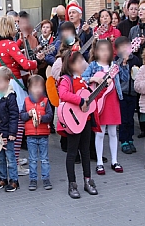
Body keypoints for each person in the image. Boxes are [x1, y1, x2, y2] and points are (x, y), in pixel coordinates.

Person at [0, 15, 38, 176]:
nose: (16, 27)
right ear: (9, 28)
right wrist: (37, 61)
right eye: (14, 25)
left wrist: (19, 43)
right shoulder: (10, 44)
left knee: (6, 124)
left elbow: (6, 53)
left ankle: (11, 159)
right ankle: (14, 163)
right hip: (13, 86)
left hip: (0, 84)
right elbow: (25, 64)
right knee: (17, 126)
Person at [82, 39, 128, 175]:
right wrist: (93, 79)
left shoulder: (114, 65)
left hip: (112, 100)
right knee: (100, 132)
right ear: (96, 52)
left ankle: (115, 160)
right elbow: (82, 79)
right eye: (101, 50)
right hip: (99, 101)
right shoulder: (93, 66)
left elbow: (125, 78)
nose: (104, 53)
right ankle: (99, 162)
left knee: (113, 132)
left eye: (107, 50)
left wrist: (124, 64)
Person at [58, 50, 98, 199]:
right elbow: (63, 94)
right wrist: (81, 101)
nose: (84, 64)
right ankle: (72, 184)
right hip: (73, 122)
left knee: (86, 151)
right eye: (80, 61)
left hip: (85, 120)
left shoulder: (82, 79)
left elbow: (91, 97)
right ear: (72, 64)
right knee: (72, 153)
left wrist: (102, 86)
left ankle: (88, 180)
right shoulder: (66, 79)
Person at [20, 75, 53, 191]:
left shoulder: (45, 101)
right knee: (33, 159)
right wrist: (28, 114)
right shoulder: (26, 101)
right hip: (30, 136)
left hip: (43, 135)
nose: (38, 89)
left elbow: (50, 115)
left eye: (40, 86)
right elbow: (22, 116)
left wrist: (42, 118)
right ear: (29, 89)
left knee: (44, 159)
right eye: (35, 87)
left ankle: (46, 178)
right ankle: (33, 179)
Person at [114, 36, 141, 154]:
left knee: (130, 118)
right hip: (122, 94)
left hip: (133, 92)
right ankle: (123, 140)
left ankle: (130, 139)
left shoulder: (136, 59)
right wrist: (123, 64)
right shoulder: (117, 60)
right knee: (123, 118)